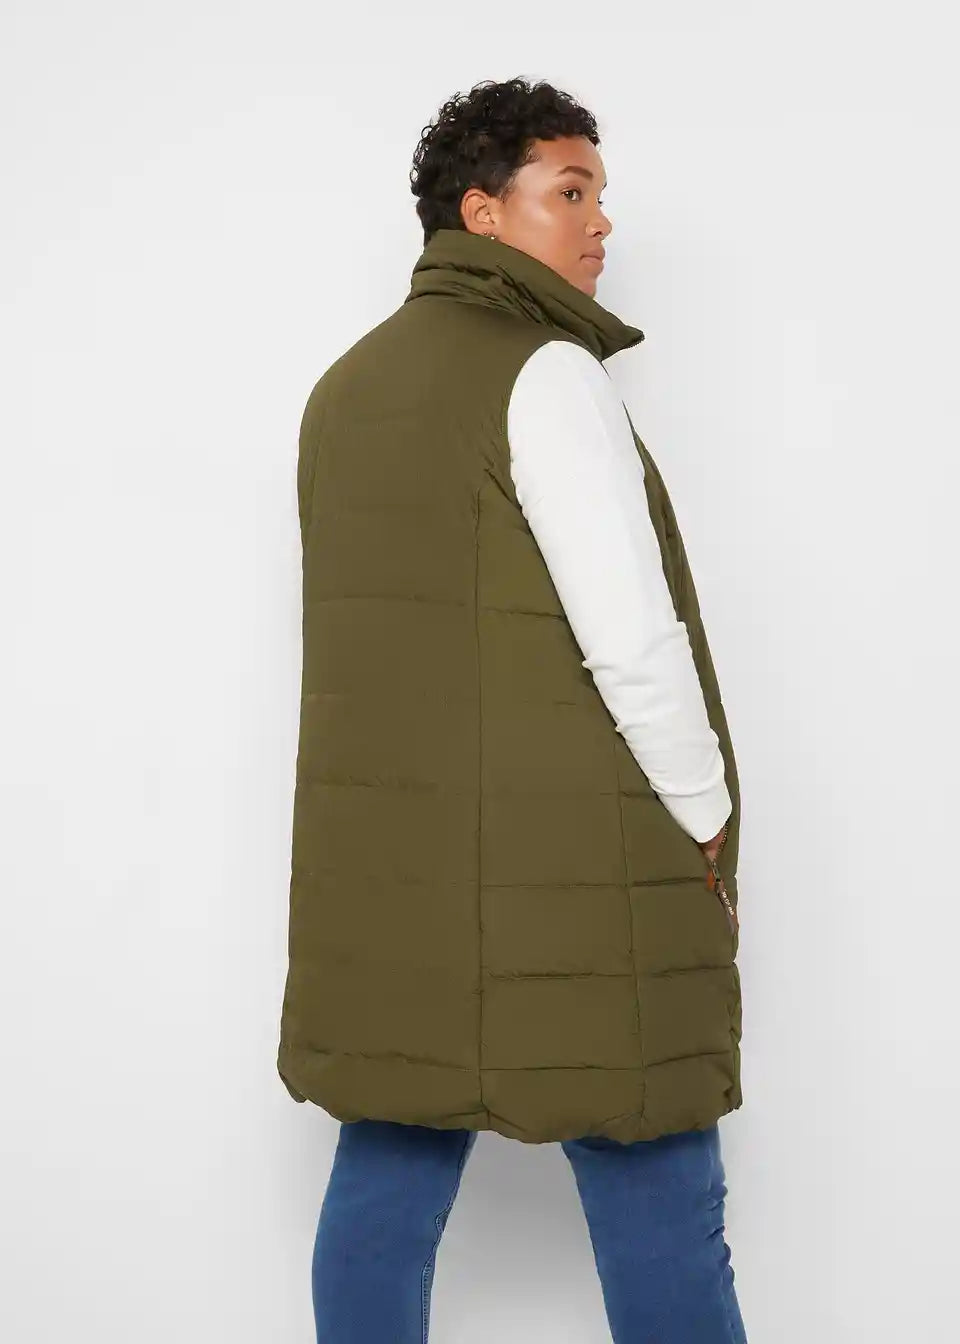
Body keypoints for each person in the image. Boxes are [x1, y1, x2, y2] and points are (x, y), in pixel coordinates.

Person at [277, 76, 747, 1343]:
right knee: (659, 1188)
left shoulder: (345, 388)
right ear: (483, 212)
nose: (601, 223)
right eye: (570, 191)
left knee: (387, 1180)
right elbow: (632, 638)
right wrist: (708, 817)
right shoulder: (546, 371)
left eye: (601, 194)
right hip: (578, 873)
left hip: (399, 880)